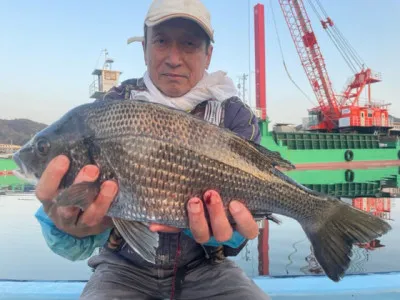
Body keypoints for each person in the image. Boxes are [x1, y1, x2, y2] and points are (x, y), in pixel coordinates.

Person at [34, 0, 270, 299]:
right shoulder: (111, 107)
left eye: (189, 44)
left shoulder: (234, 115)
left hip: (207, 267)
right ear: (145, 48)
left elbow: (237, 235)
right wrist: (63, 221)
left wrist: (231, 233)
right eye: (161, 41)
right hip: (122, 267)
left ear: (208, 54)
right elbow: (69, 230)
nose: (174, 58)